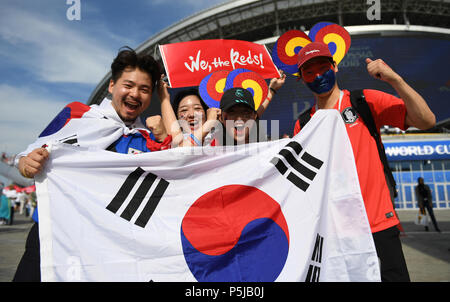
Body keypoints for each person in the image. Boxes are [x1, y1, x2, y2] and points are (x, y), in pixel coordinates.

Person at [13, 46, 170, 282]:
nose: (135, 94)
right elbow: (29, 154)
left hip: (109, 249)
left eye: (144, 89)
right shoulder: (76, 114)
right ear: (112, 86)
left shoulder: (148, 141)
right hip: (52, 235)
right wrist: (26, 163)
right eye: (128, 85)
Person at [291, 41, 436, 282]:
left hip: (378, 224)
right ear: (302, 78)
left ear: (334, 67)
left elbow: (427, 121)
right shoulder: (304, 124)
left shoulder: (363, 102)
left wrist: (395, 80)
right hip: (333, 232)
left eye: (322, 67)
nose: (318, 76)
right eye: (309, 72)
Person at [159, 72, 286, 147]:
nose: (191, 114)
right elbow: (181, 151)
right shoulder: (178, 141)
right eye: (183, 110)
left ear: (207, 112)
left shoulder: (220, 134)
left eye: (197, 108)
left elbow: (249, 117)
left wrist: (272, 91)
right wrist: (164, 98)